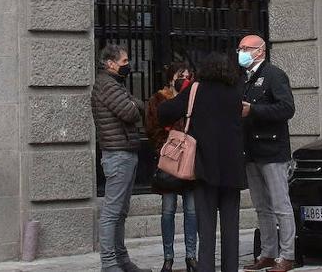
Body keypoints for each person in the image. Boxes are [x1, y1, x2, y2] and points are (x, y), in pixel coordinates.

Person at [158, 53, 244, 272]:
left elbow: (164, 113)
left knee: (206, 228)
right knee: (231, 227)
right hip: (233, 167)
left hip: (205, 166)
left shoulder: (197, 89)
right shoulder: (237, 90)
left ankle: (206, 267)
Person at [237, 36, 295, 272]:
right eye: (240, 48)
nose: (241, 52)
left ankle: (288, 255)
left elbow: (287, 108)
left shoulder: (274, 75)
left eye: (246, 48)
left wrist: (254, 110)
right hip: (251, 150)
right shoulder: (244, 79)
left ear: (260, 51)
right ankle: (268, 253)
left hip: (272, 150)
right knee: (261, 206)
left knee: (281, 204)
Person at [91, 45, 150, 272]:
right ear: (110, 63)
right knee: (112, 212)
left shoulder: (114, 84)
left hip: (123, 152)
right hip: (118, 154)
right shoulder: (107, 84)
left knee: (121, 212)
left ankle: (121, 260)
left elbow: (138, 105)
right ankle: (109, 264)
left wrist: (135, 104)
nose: (128, 65)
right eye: (124, 61)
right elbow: (132, 112)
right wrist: (135, 104)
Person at [145, 63, 197, 272]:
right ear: (170, 78)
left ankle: (191, 256)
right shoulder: (158, 99)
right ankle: (168, 257)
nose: (184, 78)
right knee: (168, 210)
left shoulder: (194, 99)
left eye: (188, 75)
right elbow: (151, 128)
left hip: (191, 161)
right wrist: (167, 148)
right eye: (180, 75)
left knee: (191, 211)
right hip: (169, 161)